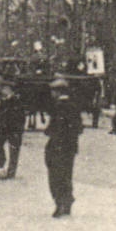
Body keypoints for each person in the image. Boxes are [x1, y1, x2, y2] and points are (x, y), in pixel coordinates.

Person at [44, 78, 81, 217]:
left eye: (53, 91)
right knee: (66, 175)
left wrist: (50, 132)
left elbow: (55, 129)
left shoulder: (59, 107)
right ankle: (66, 201)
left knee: (56, 176)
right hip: (69, 148)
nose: (52, 93)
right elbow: (78, 128)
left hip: (58, 147)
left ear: (58, 92)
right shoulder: (73, 106)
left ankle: (60, 203)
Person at [0, 81, 28, 179]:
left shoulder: (17, 100)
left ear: (10, 90)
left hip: (14, 129)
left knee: (14, 151)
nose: (3, 90)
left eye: (5, 88)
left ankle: (11, 172)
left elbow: (20, 116)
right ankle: (2, 161)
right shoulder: (2, 100)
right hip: (4, 128)